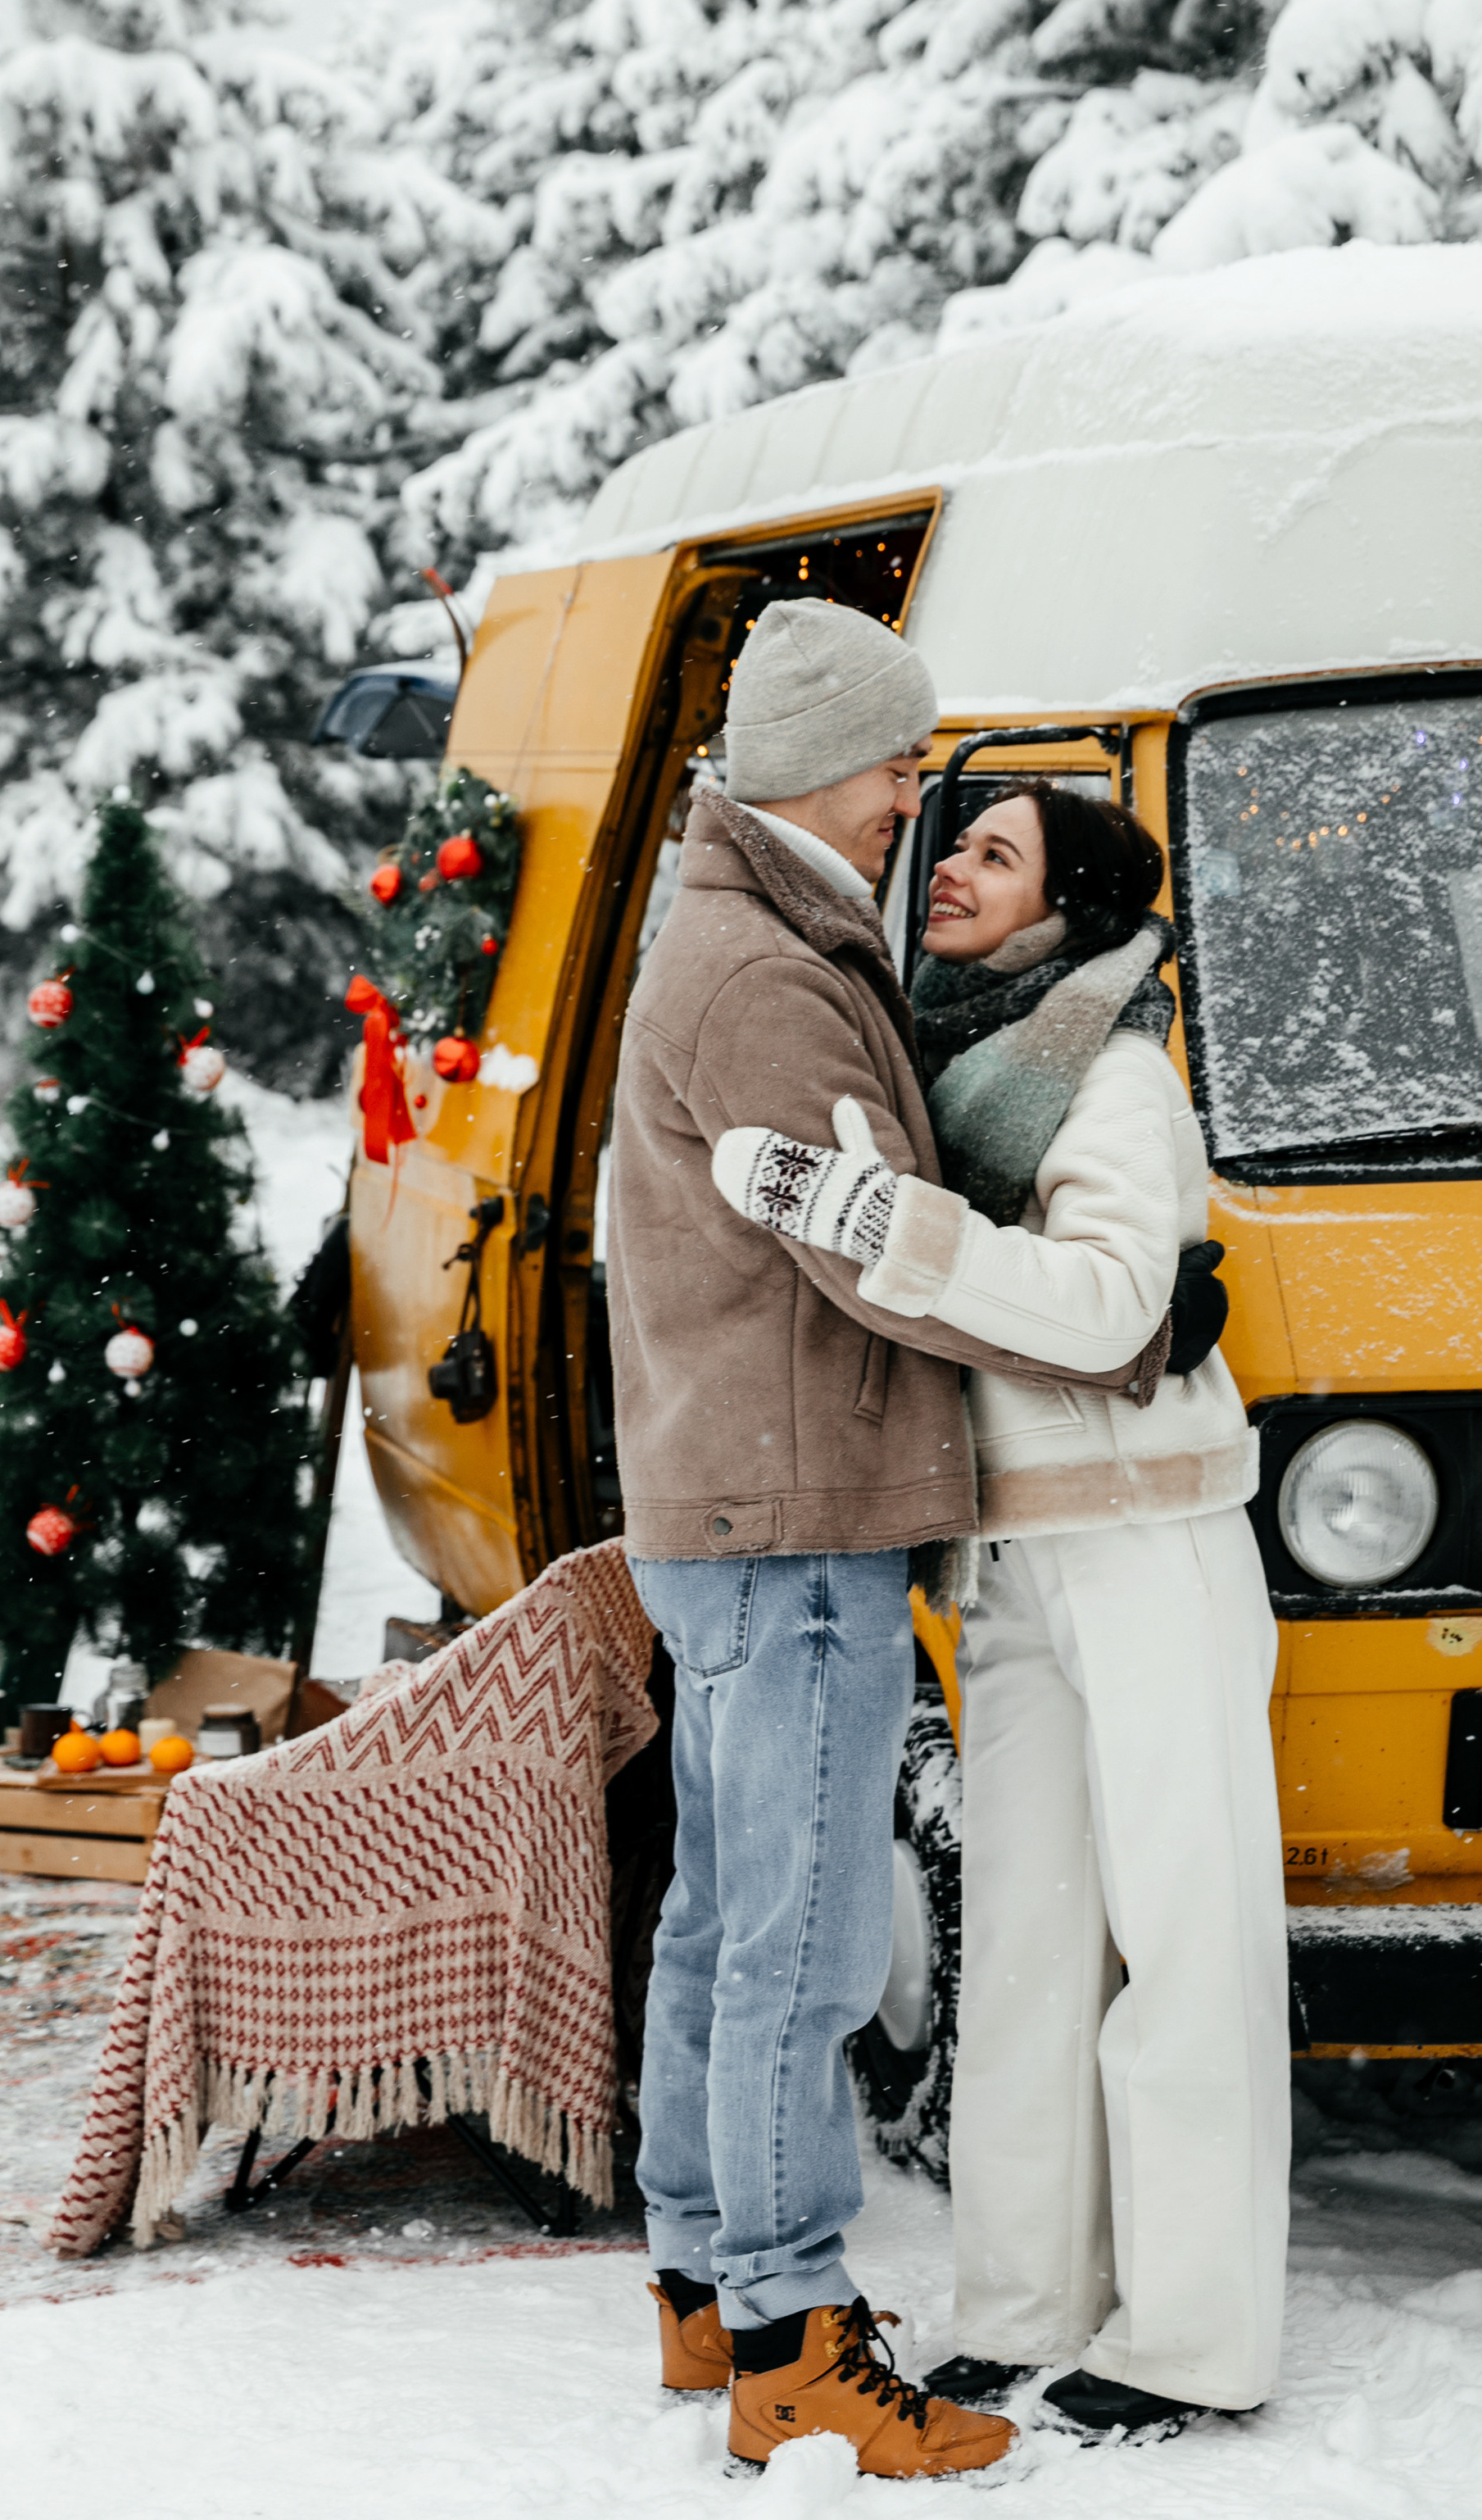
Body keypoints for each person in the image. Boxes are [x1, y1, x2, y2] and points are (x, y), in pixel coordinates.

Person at [605, 603, 1168, 2481]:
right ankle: (791, 2333)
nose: (909, 803)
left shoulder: (746, 929)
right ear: (814, 763)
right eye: (896, 766)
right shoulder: (769, 970)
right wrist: (1122, 1325)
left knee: (721, 1915)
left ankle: (704, 2275)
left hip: (734, 1494)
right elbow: (874, 1243)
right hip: (798, 1505)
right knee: (808, 1940)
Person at [712, 777, 1288, 2442]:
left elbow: (1114, 1306)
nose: (950, 867)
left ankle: (1196, 2332)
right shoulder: (950, 1073)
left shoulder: (1110, 1076)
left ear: (1069, 909)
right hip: (1020, 1556)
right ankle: (1027, 2294)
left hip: (1154, 1541)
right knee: (1026, 1944)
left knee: (1188, 1938)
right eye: (950, 841)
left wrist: (890, 1225)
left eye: (996, 852)